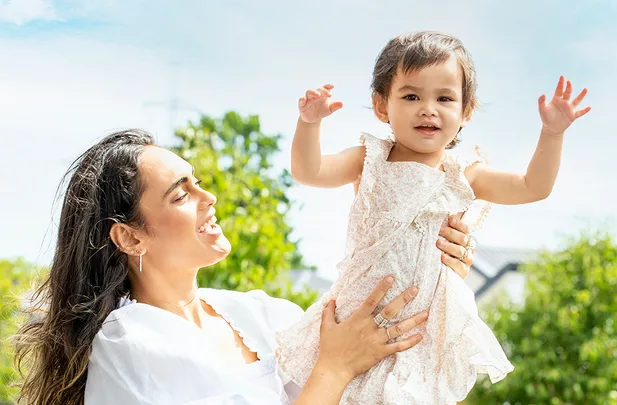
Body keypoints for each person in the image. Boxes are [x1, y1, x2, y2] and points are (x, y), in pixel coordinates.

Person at [14, 129, 476, 405]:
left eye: (197, 182)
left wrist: (438, 267)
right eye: (180, 193)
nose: (207, 196)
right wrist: (333, 369)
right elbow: (335, 371)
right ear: (130, 236)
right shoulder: (132, 343)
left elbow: (378, 362)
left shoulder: (263, 314)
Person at [278, 30, 591, 405]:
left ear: (466, 111)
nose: (428, 108)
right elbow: (309, 171)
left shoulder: (464, 173)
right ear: (381, 106)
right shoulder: (370, 157)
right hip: (356, 316)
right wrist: (309, 124)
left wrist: (552, 134)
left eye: (444, 97)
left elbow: (531, 187)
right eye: (411, 96)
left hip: (420, 334)